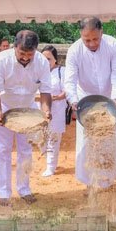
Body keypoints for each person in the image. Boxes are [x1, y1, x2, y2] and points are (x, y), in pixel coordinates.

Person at [0, 30, 52, 206]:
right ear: (15, 47)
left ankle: (24, 189)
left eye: (29, 54)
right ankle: (4, 192)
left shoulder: (41, 62)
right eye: (22, 53)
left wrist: (46, 111)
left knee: (25, 151)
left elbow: (46, 91)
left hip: (29, 110)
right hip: (5, 108)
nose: (25, 58)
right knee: (2, 151)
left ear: (35, 51)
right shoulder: (2, 60)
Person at [65, 17, 116, 190]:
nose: (91, 43)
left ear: (102, 32)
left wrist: (115, 98)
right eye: (87, 40)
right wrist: (73, 100)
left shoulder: (113, 45)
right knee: (86, 143)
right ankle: (89, 183)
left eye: (95, 39)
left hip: (110, 99)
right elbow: (69, 80)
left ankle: (107, 181)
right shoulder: (74, 50)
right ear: (80, 36)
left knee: (110, 140)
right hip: (86, 100)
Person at [41, 45, 67, 177]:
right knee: (41, 138)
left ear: (55, 59)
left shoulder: (62, 71)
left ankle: (50, 166)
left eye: (49, 59)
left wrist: (57, 97)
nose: (46, 62)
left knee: (53, 137)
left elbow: (67, 90)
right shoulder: (37, 71)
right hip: (39, 108)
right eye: (43, 58)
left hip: (57, 108)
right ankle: (48, 161)